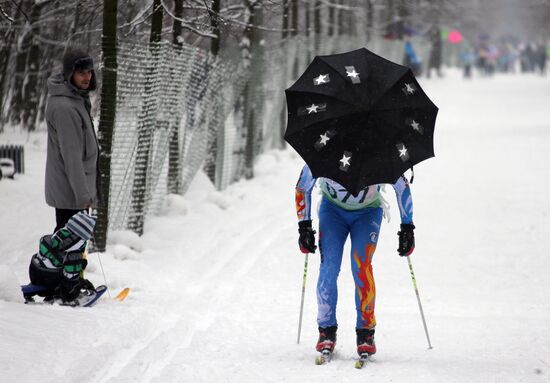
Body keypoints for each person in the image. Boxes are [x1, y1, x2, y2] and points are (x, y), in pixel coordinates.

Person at [295, 164, 415, 357]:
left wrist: (407, 227)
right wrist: (304, 226)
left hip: (368, 213)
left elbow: (402, 186)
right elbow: (303, 186)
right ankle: (326, 329)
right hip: (332, 212)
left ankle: (365, 332)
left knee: (361, 266)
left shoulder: (379, 149)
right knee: (329, 268)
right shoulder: (327, 148)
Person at [45, 48, 100, 233]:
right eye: (81, 72)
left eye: (89, 71)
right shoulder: (65, 108)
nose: (87, 77)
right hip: (72, 194)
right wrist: (83, 197)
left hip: (74, 191)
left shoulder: (75, 99)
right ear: (70, 74)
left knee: (71, 248)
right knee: (67, 249)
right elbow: (72, 156)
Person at [28, 211, 97, 303]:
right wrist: (78, 286)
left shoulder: (48, 239)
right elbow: (70, 279)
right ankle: (59, 298)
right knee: (71, 284)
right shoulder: (73, 254)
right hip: (50, 283)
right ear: (84, 236)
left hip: (35, 274)